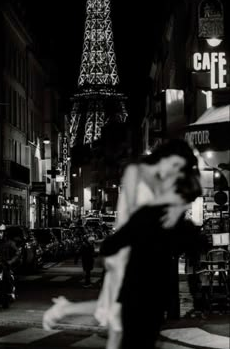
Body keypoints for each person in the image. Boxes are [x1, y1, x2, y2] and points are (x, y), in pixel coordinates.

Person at [42, 139, 201, 343]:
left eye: (180, 168)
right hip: (128, 245)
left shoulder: (167, 181)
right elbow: (130, 217)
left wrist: (177, 206)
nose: (175, 171)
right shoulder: (137, 172)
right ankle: (65, 308)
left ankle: (65, 308)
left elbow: (193, 189)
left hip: (145, 249)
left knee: (116, 316)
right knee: (117, 315)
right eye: (175, 164)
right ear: (164, 156)